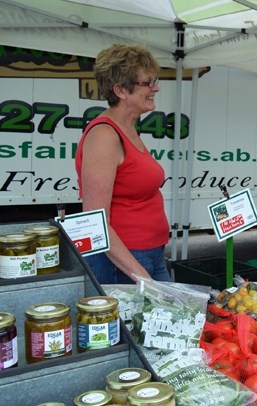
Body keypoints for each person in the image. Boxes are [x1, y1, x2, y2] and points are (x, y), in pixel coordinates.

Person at [75, 43, 171, 284]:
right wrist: (141, 276)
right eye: (147, 83)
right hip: (125, 262)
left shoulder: (128, 128)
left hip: (150, 254)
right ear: (120, 90)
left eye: (154, 81)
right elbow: (96, 221)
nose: (155, 88)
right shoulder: (105, 135)